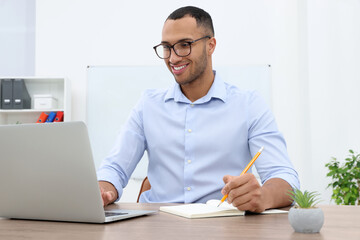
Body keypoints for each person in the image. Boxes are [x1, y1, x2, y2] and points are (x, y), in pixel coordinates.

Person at [97, 6, 299, 213]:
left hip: (222, 225)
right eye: (167, 47)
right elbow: (114, 168)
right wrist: (104, 190)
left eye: (184, 45)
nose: (173, 58)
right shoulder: (148, 105)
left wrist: (263, 197)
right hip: (158, 226)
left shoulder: (248, 104)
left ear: (211, 45)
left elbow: (285, 177)